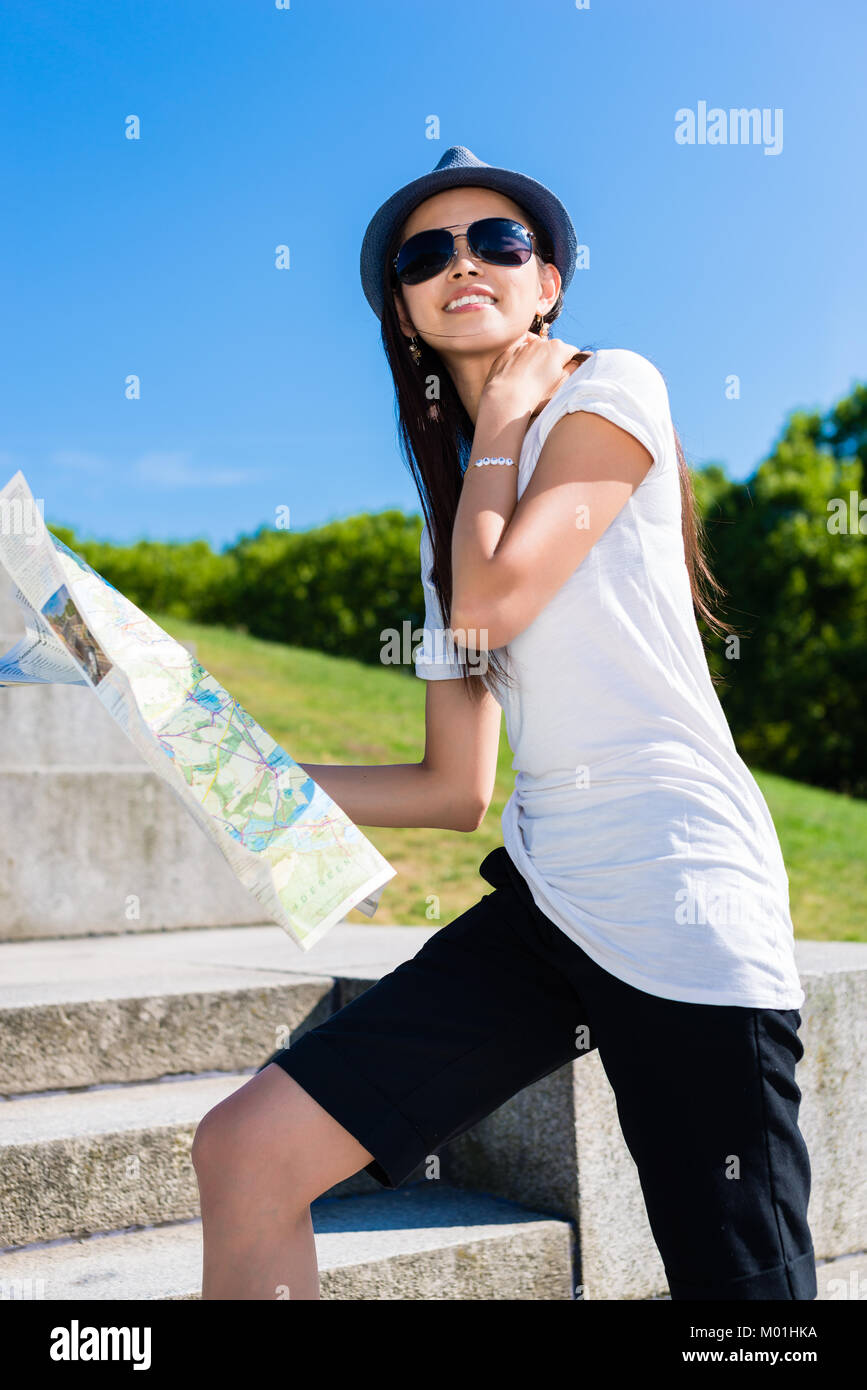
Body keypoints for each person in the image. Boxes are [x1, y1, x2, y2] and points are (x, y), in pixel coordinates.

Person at [190, 146, 816, 1302]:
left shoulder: (609, 388)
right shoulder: (450, 530)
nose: (462, 264)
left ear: (549, 284)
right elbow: (450, 785)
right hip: (549, 898)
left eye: (498, 243)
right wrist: (238, 774)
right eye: (426, 255)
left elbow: (496, 601)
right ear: (404, 310)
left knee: (745, 1304)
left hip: (685, 900)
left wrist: (502, 428)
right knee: (246, 1152)